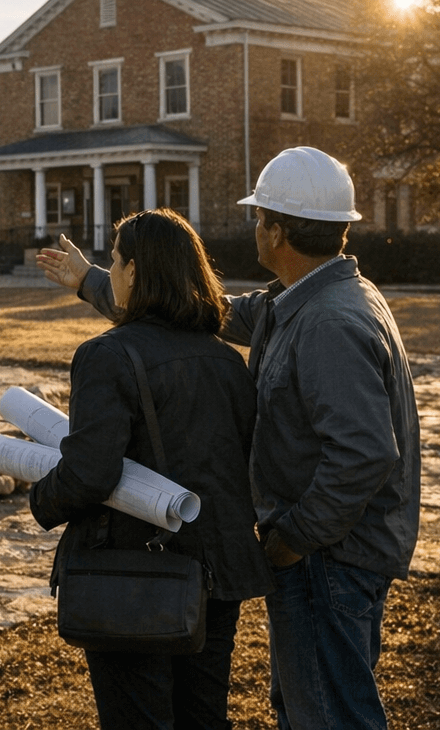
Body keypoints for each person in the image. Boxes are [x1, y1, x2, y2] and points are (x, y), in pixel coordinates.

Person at [39, 147, 420, 730]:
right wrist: (94, 280)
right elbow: (200, 310)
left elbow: (365, 454)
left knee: (328, 715)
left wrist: (293, 538)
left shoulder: (329, 322)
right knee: (305, 707)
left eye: (260, 218)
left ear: (277, 230)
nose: (255, 230)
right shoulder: (305, 300)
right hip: (333, 552)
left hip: (332, 558)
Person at [30, 209, 273, 729]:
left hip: (134, 574)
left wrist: (41, 497)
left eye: (114, 262)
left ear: (135, 272)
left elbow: (89, 473)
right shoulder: (228, 360)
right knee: (204, 719)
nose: (110, 271)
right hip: (219, 573)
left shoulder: (106, 355)